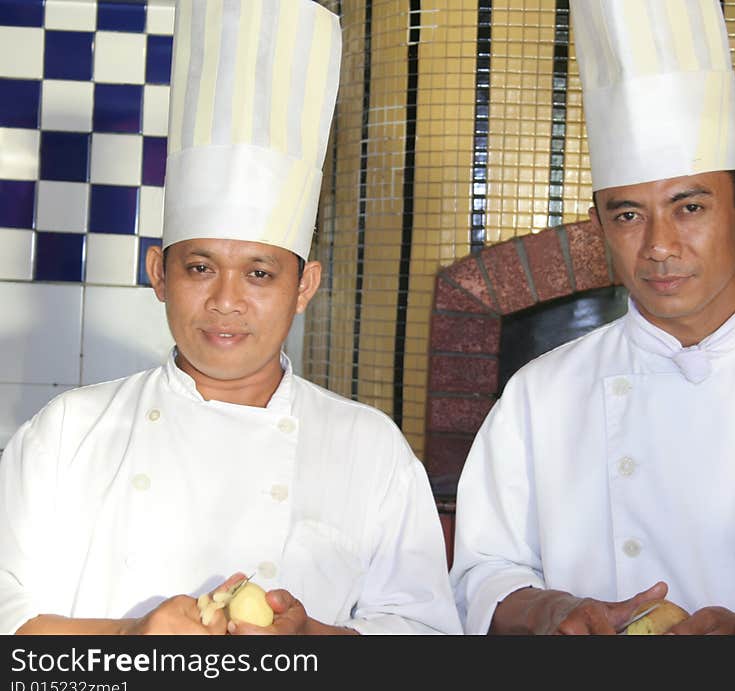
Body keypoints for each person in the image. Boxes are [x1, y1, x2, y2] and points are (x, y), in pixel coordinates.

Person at [0, 0, 461, 637]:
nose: (226, 300)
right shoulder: (67, 433)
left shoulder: (368, 447)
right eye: (199, 268)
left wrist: (313, 642)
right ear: (159, 274)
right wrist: (131, 640)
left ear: (306, 286)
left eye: (261, 273)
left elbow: (427, 635)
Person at [449, 0, 735, 635]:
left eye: (690, 207)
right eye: (627, 214)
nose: (658, 244)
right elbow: (484, 572)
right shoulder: (540, 393)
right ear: (600, 228)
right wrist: (556, 612)